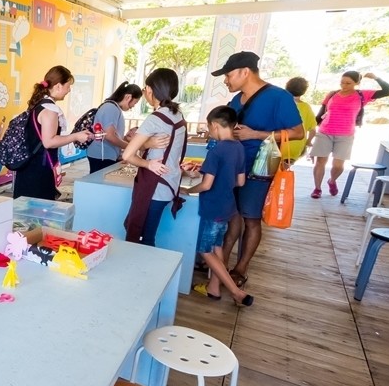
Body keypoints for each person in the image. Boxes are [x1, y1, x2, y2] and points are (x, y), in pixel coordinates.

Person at [211, 51, 305, 289]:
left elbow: (298, 132)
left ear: (245, 72)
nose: (226, 80)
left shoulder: (278, 97)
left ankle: (241, 268)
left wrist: (256, 134)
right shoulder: (236, 100)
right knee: (232, 217)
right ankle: (220, 265)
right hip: (234, 167)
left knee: (251, 219)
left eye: (228, 75)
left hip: (259, 168)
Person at [184, 106, 252, 306]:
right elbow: (240, 182)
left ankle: (236, 292)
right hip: (228, 206)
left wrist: (188, 190)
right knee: (216, 246)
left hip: (212, 207)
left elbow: (206, 185)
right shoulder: (239, 147)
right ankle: (213, 288)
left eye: (208, 127)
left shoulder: (217, 150)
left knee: (205, 250)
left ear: (214, 125)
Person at [120, 68, 187, 247]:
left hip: (155, 186)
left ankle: (142, 265)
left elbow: (127, 155)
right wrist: (148, 143)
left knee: (142, 237)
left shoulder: (155, 119)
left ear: (150, 90)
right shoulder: (178, 115)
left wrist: (147, 164)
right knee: (146, 235)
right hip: (169, 183)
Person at [12, 66, 92, 200]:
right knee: (38, 209)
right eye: (68, 86)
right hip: (38, 172)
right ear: (58, 86)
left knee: (24, 209)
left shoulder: (39, 105)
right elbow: (49, 142)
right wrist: (76, 136)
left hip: (29, 169)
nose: (69, 90)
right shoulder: (50, 109)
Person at [310, 70, 389, 198]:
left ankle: (332, 180)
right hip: (325, 132)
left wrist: (376, 78)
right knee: (320, 161)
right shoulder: (332, 94)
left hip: (345, 135)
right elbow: (321, 113)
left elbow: (388, 91)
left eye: (348, 83)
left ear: (357, 83)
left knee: (338, 165)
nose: (344, 86)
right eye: (342, 82)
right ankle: (317, 188)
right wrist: (311, 130)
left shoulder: (362, 95)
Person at [86, 81, 143, 174]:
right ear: (128, 97)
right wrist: (130, 147)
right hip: (102, 156)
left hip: (105, 155)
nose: (133, 106)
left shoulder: (113, 107)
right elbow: (110, 136)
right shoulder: (111, 108)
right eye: (135, 103)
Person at [283, 77, 318, 164]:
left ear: (287, 87)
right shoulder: (306, 107)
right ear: (304, 91)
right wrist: (308, 142)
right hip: (296, 146)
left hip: (279, 143)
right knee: (285, 169)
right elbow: (313, 130)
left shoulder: (281, 103)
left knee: (272, 169)